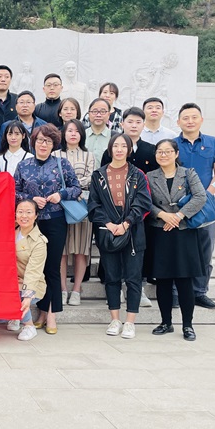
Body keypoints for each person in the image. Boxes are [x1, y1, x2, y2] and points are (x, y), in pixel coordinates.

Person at [13, 124, 81, 334]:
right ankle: (40, 312)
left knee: (52, 268)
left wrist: (61, 195)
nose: (44, 144)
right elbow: (13, 191)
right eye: (41, 140)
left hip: (55, 221)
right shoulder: (23, 165)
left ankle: (50, 313)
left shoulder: (62, 163)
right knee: (34, 267)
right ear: (34, 142)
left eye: (48, 141)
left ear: (54, 144)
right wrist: (30, 198)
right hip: (30, 223)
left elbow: (76, 187)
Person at [87, 133, 152, 340]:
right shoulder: (99, 175)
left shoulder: (138, 174)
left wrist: (126, 223)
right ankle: (115, 319)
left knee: (133, 279)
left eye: (124, 146)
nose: (119, 149)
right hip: (108, 233)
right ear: (110, 149)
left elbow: (143, 202)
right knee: (112, 277)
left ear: (129, 150)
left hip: (132, 232)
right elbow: (94, 204)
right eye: (116, 145)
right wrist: (109, 224)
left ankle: (130, 322)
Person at [146, 139, 207, 341]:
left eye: (168, 151)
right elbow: (145, 201)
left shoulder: (188, 174)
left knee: (184, 281)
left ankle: (188, 325)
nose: (163, 155)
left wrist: (178, 216)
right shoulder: (150, 176)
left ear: (176, 153)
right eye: (160, 151)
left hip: (183, 232)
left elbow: (200, 197)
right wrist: (163, 215)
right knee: (163, 280)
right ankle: (166, 322)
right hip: (160, 231)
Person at [174, 103, 215, 310]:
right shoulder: (172, 144)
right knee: (178, 250)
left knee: (205, 250)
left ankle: (200, 292)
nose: (190, 121)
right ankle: (176, 292)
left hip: (206, 206)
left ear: (201, 120)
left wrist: (207, 195)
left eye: (194, 117)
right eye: (185, 118)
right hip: (179, 206)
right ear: (178, 122)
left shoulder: (214, 143)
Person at [52, 120, 95, 307]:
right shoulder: (55, 154)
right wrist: (73, 186)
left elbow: (91, 178)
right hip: (59, 206)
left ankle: (76, 289)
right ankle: (62, 289)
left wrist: (70, 186)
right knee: (61, 250)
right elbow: (53, 178)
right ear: (63, 133)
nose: (73, 134)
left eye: (77, 131)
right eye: (69, 130)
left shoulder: (88, 155)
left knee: (81, 250)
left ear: (82, 134)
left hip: (81, 206)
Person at [8, 198, 48, 341]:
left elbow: (33, 273)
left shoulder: (39, 242)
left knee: (18, 297)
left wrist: (27, 296)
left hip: (31, 284)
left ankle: (29, 326)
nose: (24, 216)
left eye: (29, 212)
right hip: (11, 280)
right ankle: (15, 316)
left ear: (36, 215)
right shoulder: (10, 230)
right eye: (20, 212)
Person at [100, 107, 158, 175]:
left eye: (138, 122)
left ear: (143, 125)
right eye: (130, 122)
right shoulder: (112, 150)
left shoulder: (152, 150)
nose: (134, 126)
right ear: (122, 124)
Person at [84, 98, 113, 169]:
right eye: (94, 111)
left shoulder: (114, 137)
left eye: (103, 111)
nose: (98, 115)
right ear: (89, 114)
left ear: (109, 115)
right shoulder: (81, 135)